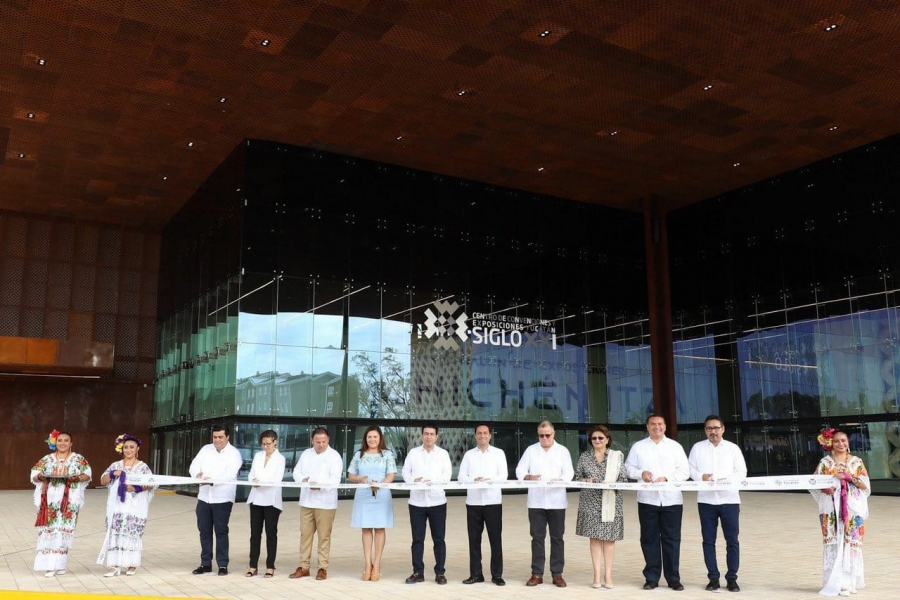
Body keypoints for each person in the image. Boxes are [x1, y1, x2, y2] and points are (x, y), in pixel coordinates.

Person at [624, 414, 690, 591]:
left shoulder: (675, 447)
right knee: (649, 539)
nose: (656, 427)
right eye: (653, 424)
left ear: (665, 426)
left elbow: (685, 471)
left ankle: (673, 578)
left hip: (672, 500)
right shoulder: (638, 447)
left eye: (660, 423)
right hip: (647, 500)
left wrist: (667, 478)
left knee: (672, 539)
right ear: (647, 427)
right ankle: (651, 578)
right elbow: (628, 468)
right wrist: (641, 473)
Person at [689, 415, 747, 592]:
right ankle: (713, 578)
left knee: (732, 541)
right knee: (708, 541)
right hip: (706, 501)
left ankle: (732, 578)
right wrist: (701, 476)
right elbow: (690, 469)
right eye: (709, 428)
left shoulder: (732, 448)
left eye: (716, 428)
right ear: (705, 430)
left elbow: (741, 472)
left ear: (723, 429)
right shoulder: (697, 448)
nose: (713, 431)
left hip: (729, 500)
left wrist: (726, 480)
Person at [810, 428, 870, 597]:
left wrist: (850, 478)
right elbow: (814, 481)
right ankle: (835, 582)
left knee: (850, 542)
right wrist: (826, 488)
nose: (840, 444)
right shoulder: (825, 463)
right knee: (834, 542)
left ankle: (848, 582)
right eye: (836, 441)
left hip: (852, 508)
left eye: (843, 440)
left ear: (848, 442)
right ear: (830, 443)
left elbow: (865, 485)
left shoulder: (856, 462)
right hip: (831, 509)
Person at [515, 420, 574, 588]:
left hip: (557, 502)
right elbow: (520, 470)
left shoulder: (562, 451)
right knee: (537, 538)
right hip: (536, 502)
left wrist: (561, 480)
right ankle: (537, 573)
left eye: (548, 435)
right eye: (541, 435)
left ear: (553, 434)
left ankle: (557, 574)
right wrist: (528, 477)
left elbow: (569, 472)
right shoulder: (530, 450)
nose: (545, 438)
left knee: (557, 538)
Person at [30, 430, 92, 578]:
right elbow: (34, 475)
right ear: (55, 443)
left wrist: (76, 478)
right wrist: (41, 476)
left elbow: (88, 474)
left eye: (66, 440)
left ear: (71, 443)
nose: (62, 443)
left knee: (63, 530)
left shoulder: (78, 459)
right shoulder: (47, 459)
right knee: (50, 530)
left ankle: (60, 564)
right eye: (60, 440)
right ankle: (50, 566)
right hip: (49, 501)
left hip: (69, 501)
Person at [575, 424, 628, 589]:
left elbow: (624, 480)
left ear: (607, 440)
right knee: (595, 539)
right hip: (590, 502)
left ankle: (608, 575)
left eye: (600, 438)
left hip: (611, 502)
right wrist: (586, 480)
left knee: (609, 540)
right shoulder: (585, 457)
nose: (597, 440)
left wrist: (611, 483)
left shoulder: (616, 457)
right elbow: (577, 477)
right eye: (594, 438)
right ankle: (597, 575)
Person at [289, 427, 343, 581]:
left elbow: (335, 479)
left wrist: (320, 485)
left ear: (328, 440)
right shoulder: (306, 454)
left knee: (324, 536)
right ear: (312, 440)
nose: (320, 444)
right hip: (307, 501)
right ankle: (303, 566)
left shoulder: (334, 456)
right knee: (305, 535)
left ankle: (322, 568)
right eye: (317, 442)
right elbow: (296, 472)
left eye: (323, 441)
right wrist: (303, 480)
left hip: (325, 503)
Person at [97, 433, 155, 577]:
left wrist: (135, 488)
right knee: (115, 531)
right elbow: (103, 480)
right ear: (122, 449)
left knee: (132, 532)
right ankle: (114, 565)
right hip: (117, 505)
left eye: (131, 447)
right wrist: (113, 474)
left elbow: (151, 483)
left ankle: (132, 564)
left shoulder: (142, 467)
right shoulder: (115, 465)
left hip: (135, 505)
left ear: (137, 449)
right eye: (126, 447)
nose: (128, 450)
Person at [188, 424, 243, 576]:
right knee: (204, 531)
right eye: (215, 437)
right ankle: (205, 563)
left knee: (221, 531)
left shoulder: (234, 454)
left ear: (227, 437)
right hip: (204, 497)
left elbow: (229, 474)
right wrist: (197, 475)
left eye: (220, 437)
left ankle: (222, 565)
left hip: (222, 498)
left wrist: (211, 481)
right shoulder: (206, 449)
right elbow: (194, 465)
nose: (217, 440)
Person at [457, 423, 508, 586]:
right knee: (474, 540)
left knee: (495, 540)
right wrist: (474, 480)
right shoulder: (469, 455)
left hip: (493, 502)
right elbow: (461, 477)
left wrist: (489, 480)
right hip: (473, 503)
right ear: (475, 436)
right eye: (479, 433)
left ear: (490, 435)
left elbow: (504, 475)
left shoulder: (499, 453)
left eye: (485, 433)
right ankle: (476, 574)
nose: (482, 436)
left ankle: (497, 575)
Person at [402, 424, 452, 584]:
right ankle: (418, 572)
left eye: (432, 434)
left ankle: (440, 573)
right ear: (421, 435)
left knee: (439, 539)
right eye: (426, 433)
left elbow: (447, 475)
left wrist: (431, 481)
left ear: (437, 436)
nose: (429, 436)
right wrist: (413, 480)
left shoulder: (443, 454)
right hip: (417, 503)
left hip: (437, 502)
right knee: (417, 539)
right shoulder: (413, 453)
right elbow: (405, 472)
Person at [347, 425, 397, 582]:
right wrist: (359, 479)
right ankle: (367, 565)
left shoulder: (387, 454)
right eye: (369, 437)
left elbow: (391, 475)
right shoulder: (359, 454)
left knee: (380, 529)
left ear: (380, 438)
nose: (372, 439)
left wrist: (380, 484)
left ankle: (377, 565)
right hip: (363, 495)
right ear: (365, 439)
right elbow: (350, 474)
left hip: (381, 494)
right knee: (366, 529)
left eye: (375, 436)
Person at [246, 429, 285, 578]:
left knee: (271, 534)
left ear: (275, 442)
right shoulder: (258, 456)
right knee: (255, 534)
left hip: (271, 501)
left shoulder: (280, 458)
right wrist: (253, 480)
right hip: (256, 499)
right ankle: (253, 565)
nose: (265, 447)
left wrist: (259, 481)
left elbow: (276, 478)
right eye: (263, 444)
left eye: (268, 444)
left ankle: (270, 566)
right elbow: (251, 473)